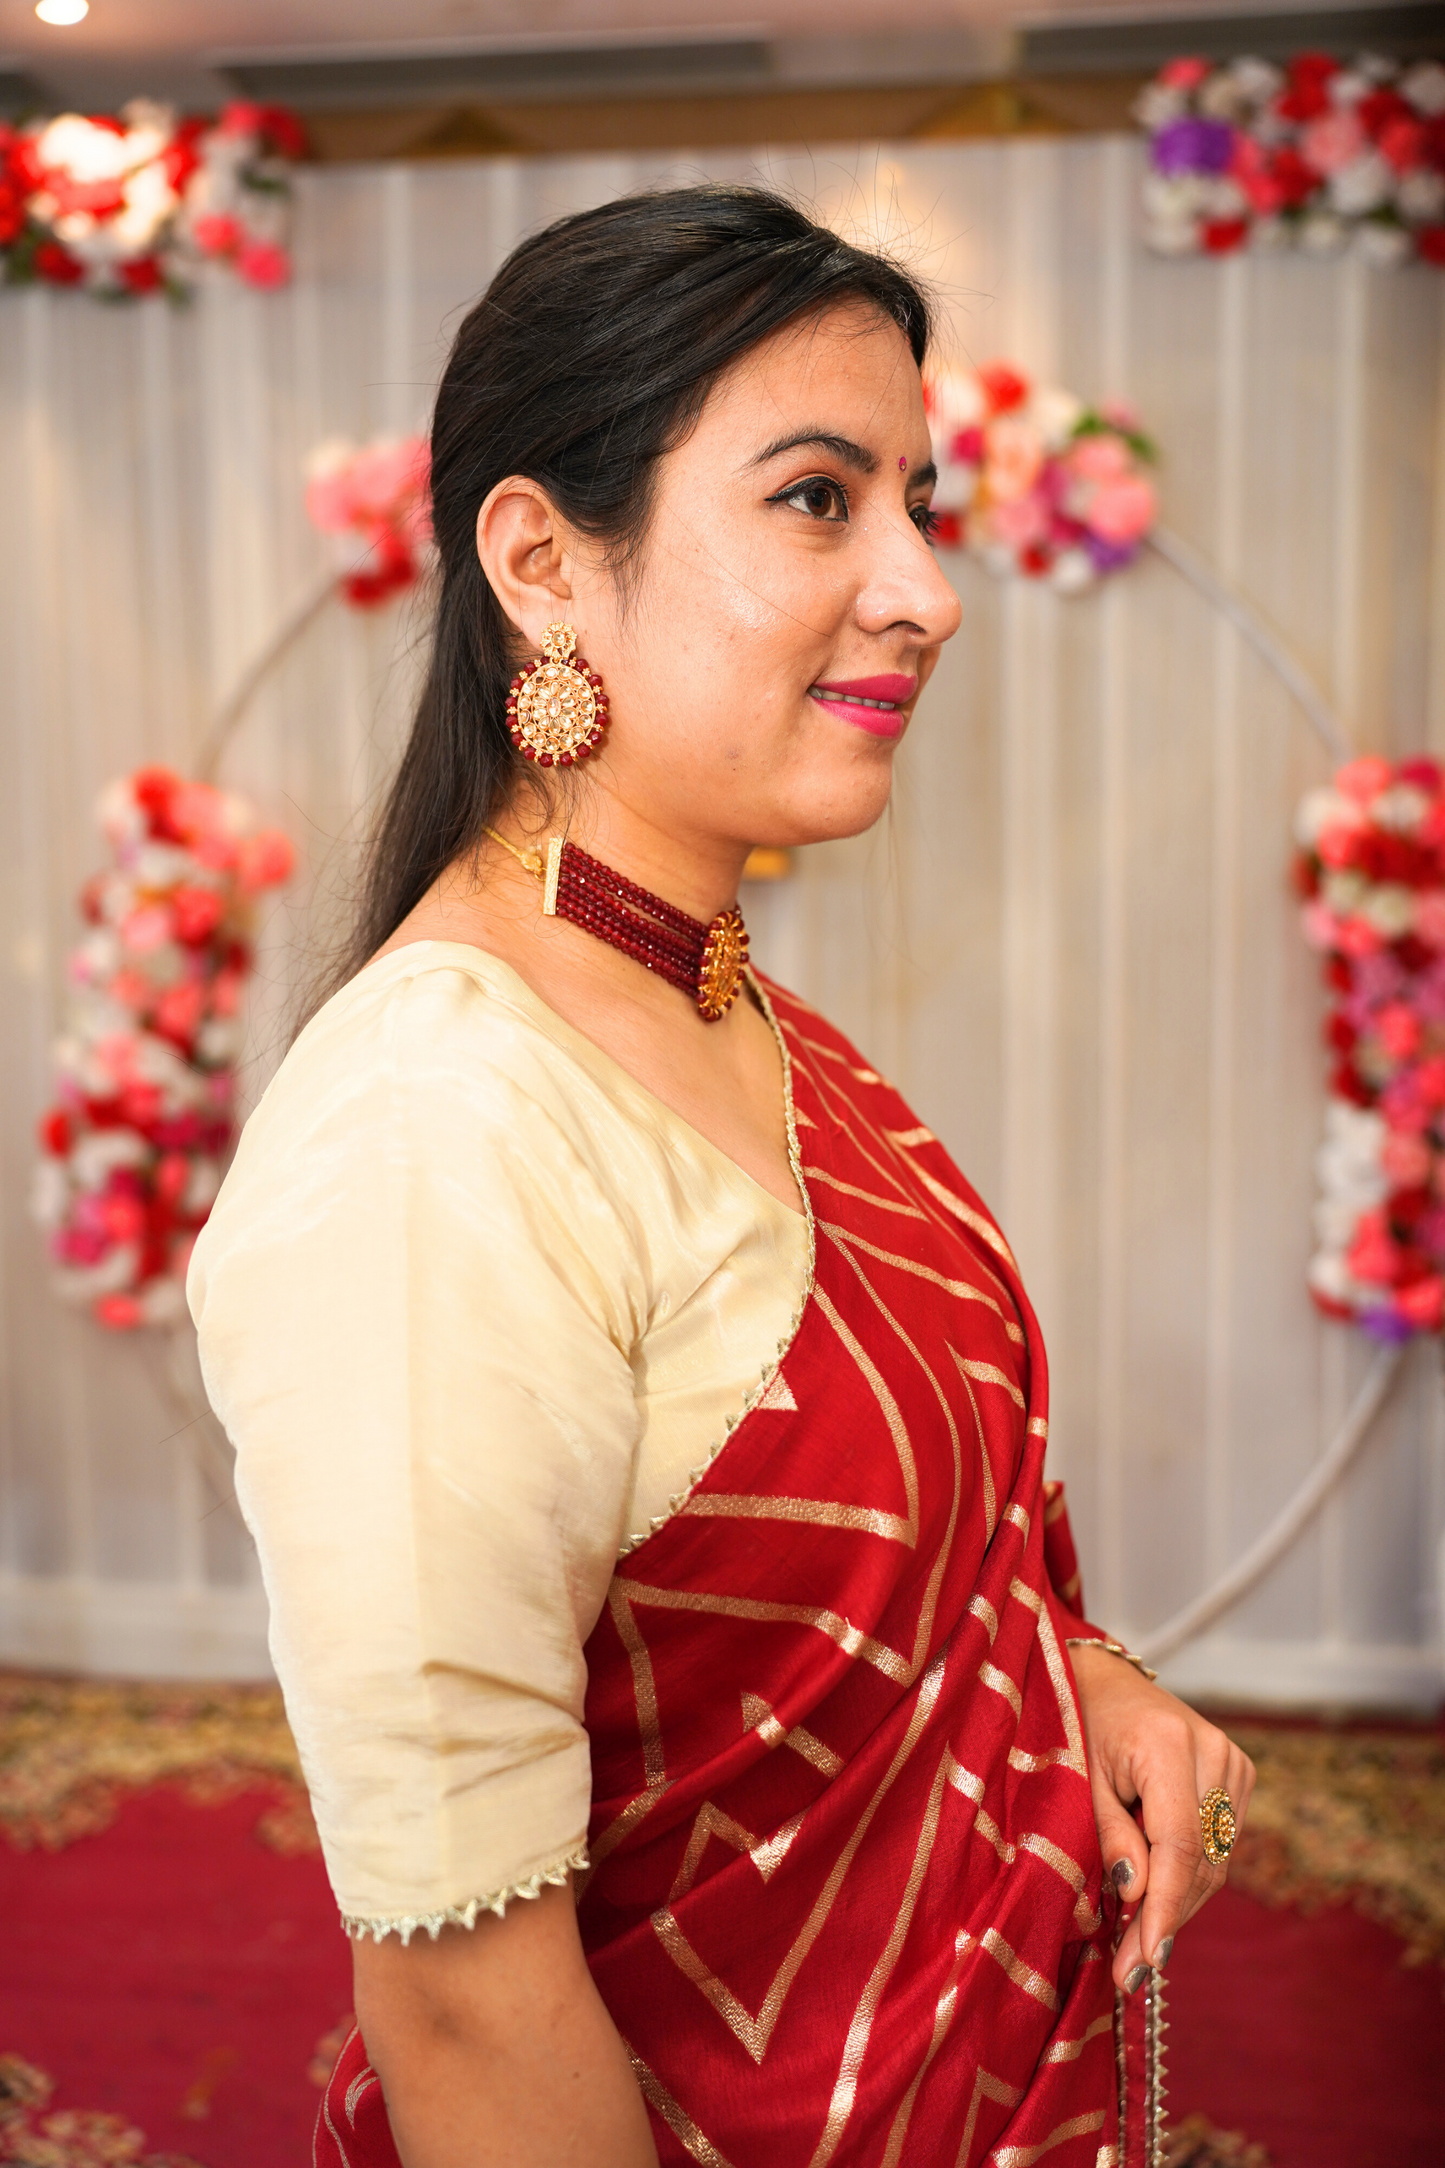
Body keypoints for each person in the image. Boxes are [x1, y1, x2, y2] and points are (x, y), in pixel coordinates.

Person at [189, 185, 1254, 2168]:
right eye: (814, 498)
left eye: (915, 504)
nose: (926, 588)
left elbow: (929, 1531)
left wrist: (1083, 1676)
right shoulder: (432, 1136)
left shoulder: (726, 1005)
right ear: (540, 563)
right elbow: (459, 1990)